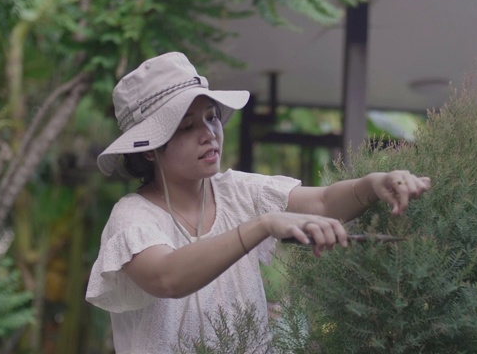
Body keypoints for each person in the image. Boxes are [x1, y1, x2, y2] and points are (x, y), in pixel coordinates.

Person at [85, 52, 431, 353]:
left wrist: (374, 184)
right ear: (148, 148)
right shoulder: (132, 216)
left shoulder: (238, 191)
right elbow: (167, 277)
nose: (208, 133)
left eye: (211, 116)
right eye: (186, 126)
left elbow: (324, 202)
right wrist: (263, 224)